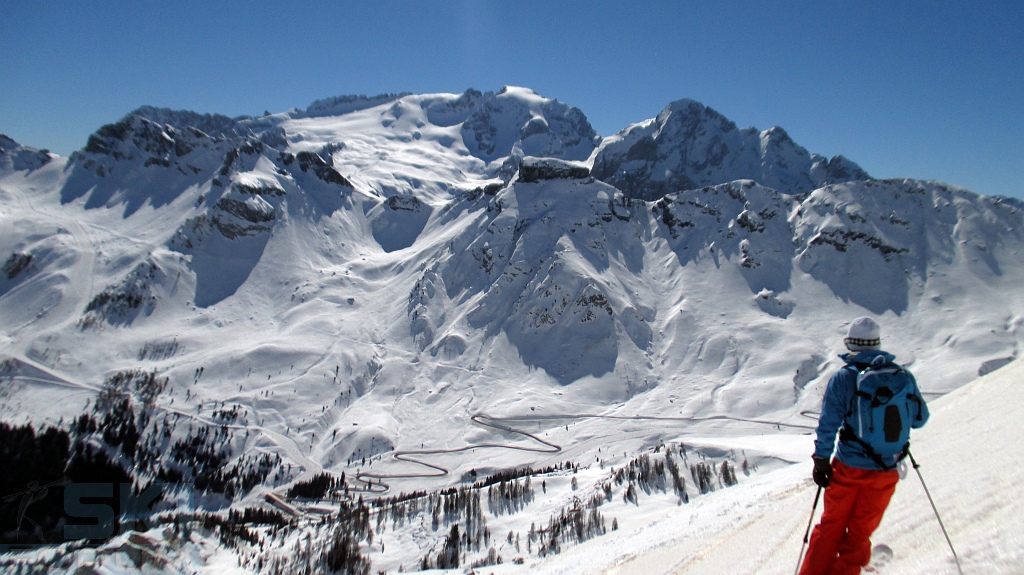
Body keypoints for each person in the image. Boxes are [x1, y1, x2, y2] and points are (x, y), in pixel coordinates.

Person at [799, 317, 930, 575]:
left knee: (831, 526)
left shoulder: (844, 378)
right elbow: (920, 418)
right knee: (860, 532)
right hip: (888, 469)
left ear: (851, 344)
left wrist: (821, 460)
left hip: (849, 467)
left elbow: (828, 425)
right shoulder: (902, 376)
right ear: (878, 343)